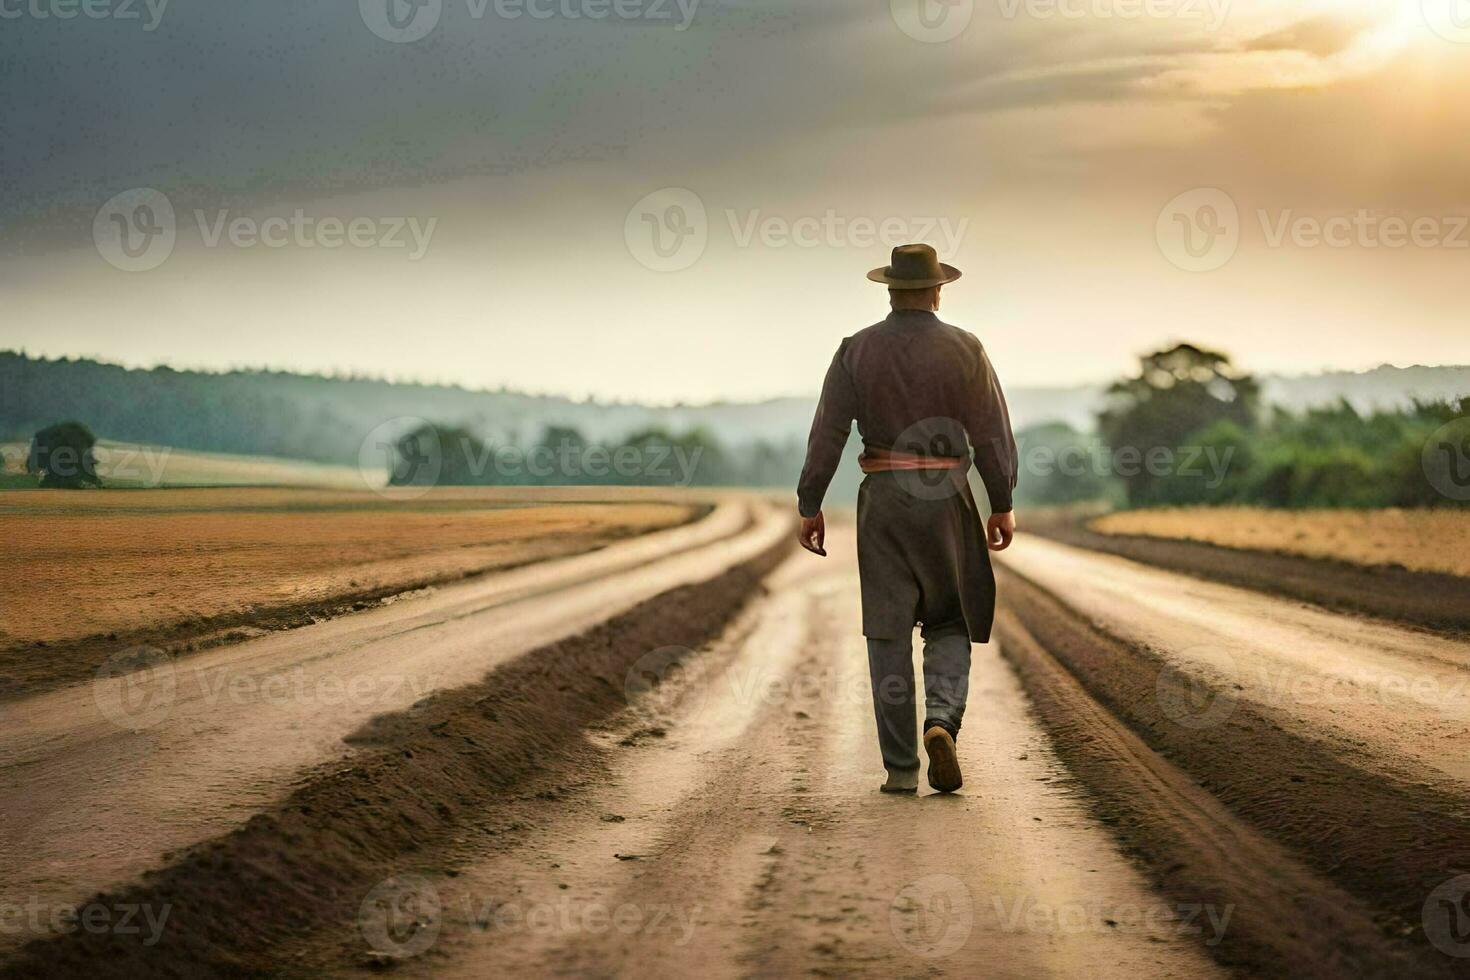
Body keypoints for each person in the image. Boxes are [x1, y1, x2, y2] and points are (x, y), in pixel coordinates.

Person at [796, 243, 1019, 794]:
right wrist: (1002, 501)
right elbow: (991, 431)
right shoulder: (966, 348)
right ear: (938, 291)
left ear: (890, 290)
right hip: (947, 498)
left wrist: (810, 503)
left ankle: (900, 770)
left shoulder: (855, 349)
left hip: (884, 500)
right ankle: (941, 721)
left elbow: (829, 432)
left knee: (887, 630)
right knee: (950, 618)